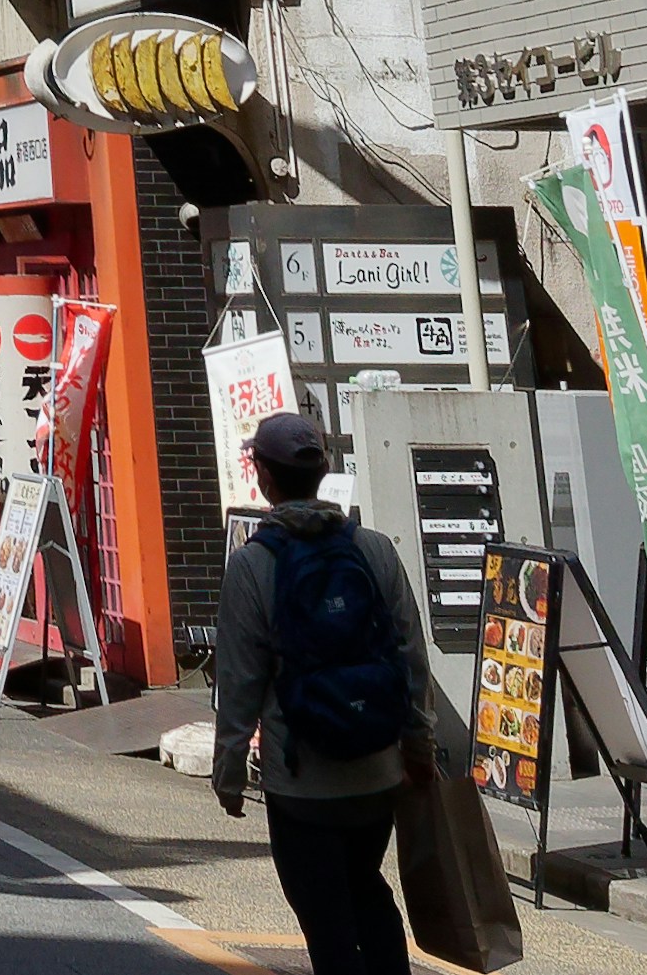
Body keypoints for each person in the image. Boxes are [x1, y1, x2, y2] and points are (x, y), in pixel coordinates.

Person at [209, 409, 436, 975]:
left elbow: (240, 678)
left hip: (300, 775)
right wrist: (419, 744)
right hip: (375, 768)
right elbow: (410, 653)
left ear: (262, 475)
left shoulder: (253, 565)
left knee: (323, 915)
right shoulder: (374, 549)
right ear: (323, 471)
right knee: (365, 886)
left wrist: (229, 770)